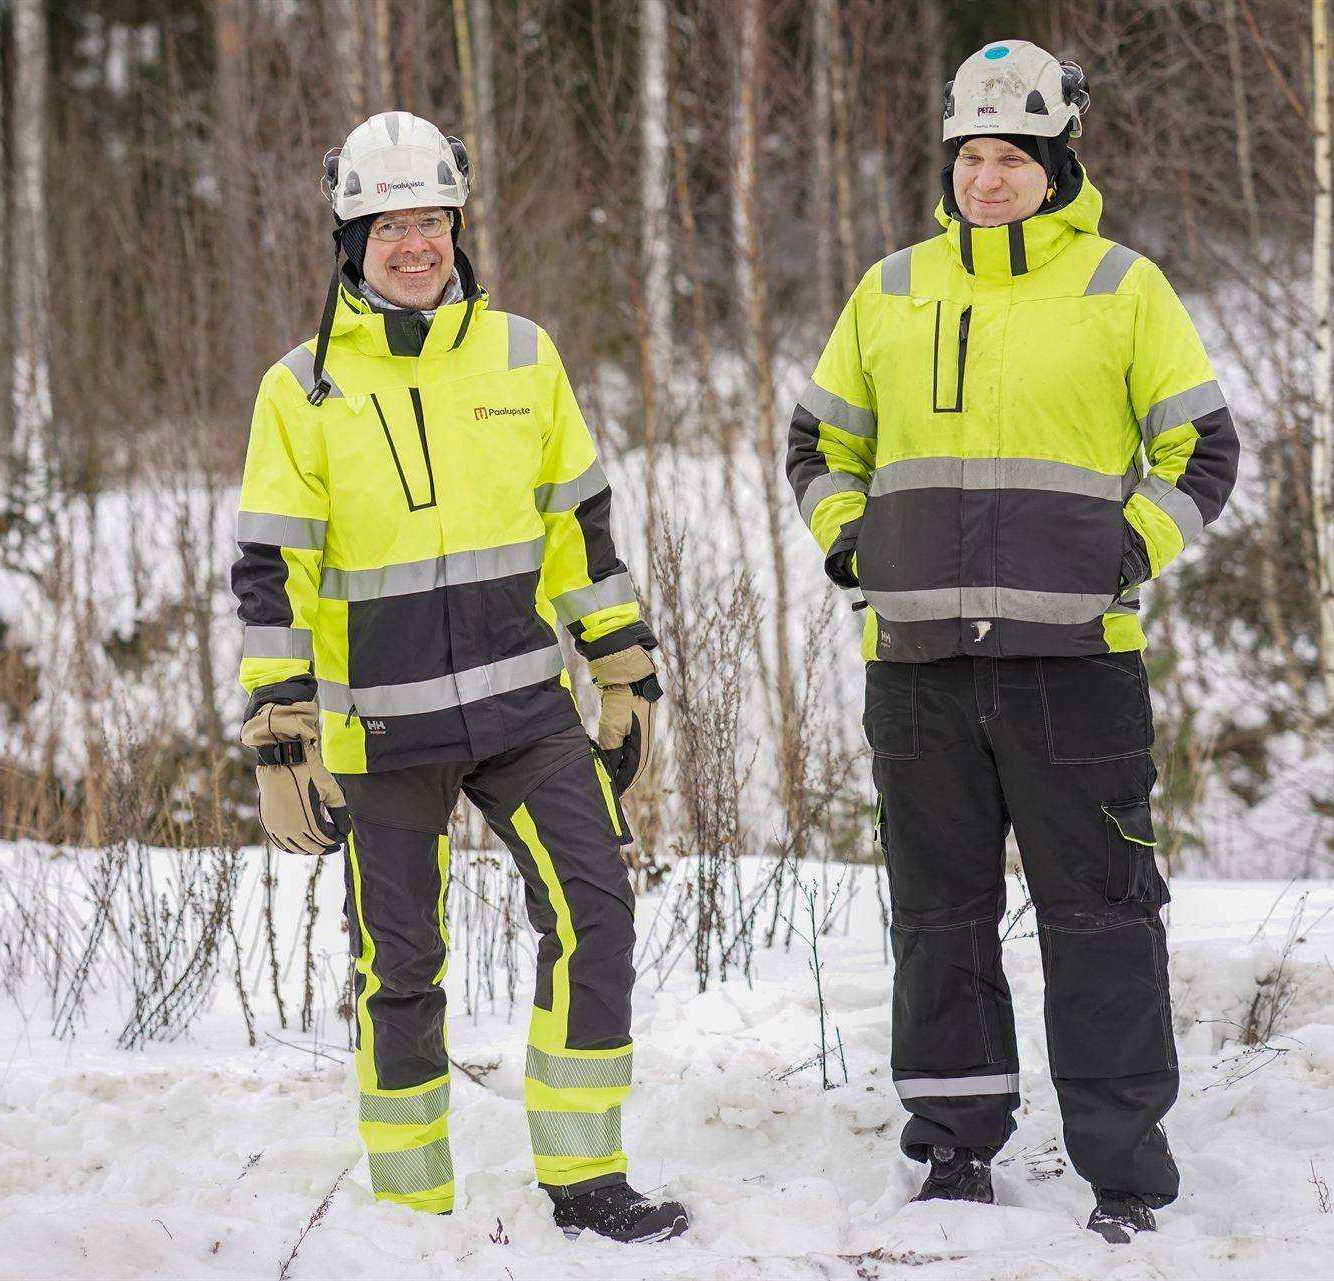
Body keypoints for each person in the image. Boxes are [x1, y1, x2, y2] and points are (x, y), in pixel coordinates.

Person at [784, 41, 1239, 1243]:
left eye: (1013, 159)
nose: (987, 179)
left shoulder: (1122, 287)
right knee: (939, 923)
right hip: (918, 669)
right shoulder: (891, 289)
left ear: (1057, 163)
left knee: (1102, 919)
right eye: (971, 156)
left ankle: (1124, 1172)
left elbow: (1204, 448)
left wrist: (1125, 550)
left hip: (1074, 670)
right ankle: (951, 1149)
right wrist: (852, 546)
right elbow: (818, 445)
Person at [230, 111, 686, 1244]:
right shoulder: (301, 387)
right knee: (401, 967)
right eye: (388, 226)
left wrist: (620, 662)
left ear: (458, 225)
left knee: (595, 914)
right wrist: (282, 731)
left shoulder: (523, 356)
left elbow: (578, 526)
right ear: (351, 241)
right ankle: (411, 1206)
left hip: (525, 711)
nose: (414, 244)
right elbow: (273, 570)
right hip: (380, 732)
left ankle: (587, 1178)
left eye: (431, 220)